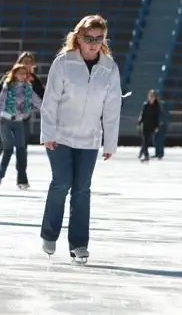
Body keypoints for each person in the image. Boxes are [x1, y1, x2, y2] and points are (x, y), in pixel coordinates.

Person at [39, 15, 122, 263]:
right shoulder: (64, 63)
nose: (94, 43)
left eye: (99, 38)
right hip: (61, 137)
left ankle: (79, 243)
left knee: (82, 190)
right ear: (79, 38)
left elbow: (112, 106)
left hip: (89, 140)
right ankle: (49, 234)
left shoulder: (109, 68)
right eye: (89, 38)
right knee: (61, 183)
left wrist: (110, 142)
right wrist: (48, 134)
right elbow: (50, 101)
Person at [0, 51, 45, 184]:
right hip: (6, 117)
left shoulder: (33, 81)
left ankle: (22, 178)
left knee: (22, 148)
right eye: (24, 61)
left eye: (29, 62)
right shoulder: (10, 77)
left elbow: (41, 97)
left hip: (22, 119)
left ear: (33, 65)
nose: (27, 65)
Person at [137, 89, 162, 162]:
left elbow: (158, 117)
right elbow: (142, 114)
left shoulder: (157, 106)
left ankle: (142, 152)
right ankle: (146, 156)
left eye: (153, 96)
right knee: (145, 141)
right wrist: (139, 122)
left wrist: (157, 127)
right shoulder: (145, 105)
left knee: (146, 141)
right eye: (150, 96)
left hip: (152, 126)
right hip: (145, 126)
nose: (151, 98)